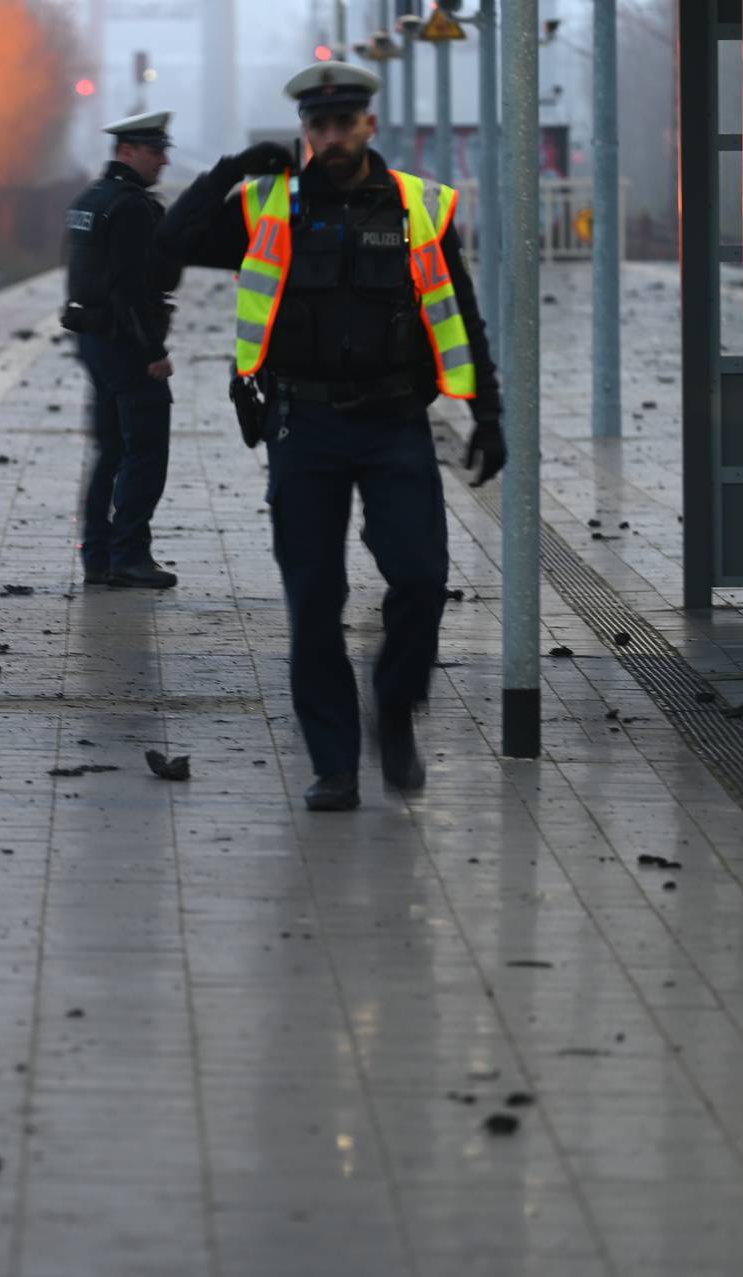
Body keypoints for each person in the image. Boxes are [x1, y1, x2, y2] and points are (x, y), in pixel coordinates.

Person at [157, 62, 507, 811]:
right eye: (319, 126)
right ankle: (335, 763)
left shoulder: (418, 206)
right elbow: (168, 242)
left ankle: (394, 703)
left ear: (368, 125)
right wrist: (225, 170)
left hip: (394, 424)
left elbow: (461, 315)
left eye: (345, 122)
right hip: (303, 424)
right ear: (306, 133)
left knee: (419, 576)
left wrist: (489, 412)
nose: (333, 136)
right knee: (315, 598)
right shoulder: (266, 206)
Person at [61, 110, 185, 589]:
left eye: (163, 151)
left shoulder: (89, 200)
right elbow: (133, 287)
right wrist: (152, 349)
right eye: (155, 152)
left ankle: (98, 556)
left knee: (110, 449)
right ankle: (130, 555)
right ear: (127, 151)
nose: (163, 161)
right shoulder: (132, 207)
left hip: (94, 340)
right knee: (146, 451)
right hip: (126, 344)